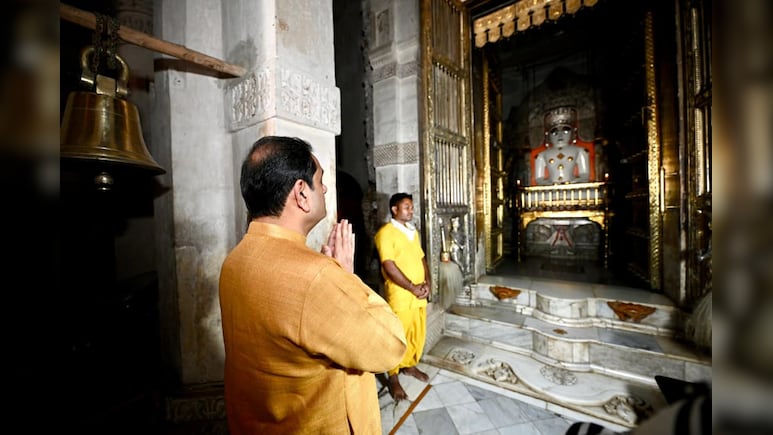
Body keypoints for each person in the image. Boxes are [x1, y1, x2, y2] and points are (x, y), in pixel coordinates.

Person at [219, 136, 407, 434]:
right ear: (301, 193)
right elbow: (391, 346)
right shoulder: (316, 276)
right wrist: (345, 277)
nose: (326, 188)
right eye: (320, 180)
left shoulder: (234, 261)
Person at [374, 193, 432, 401]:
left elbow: (422, 258)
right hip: (401, 295)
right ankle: (393, 377)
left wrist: (427, 283)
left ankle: (409, 366)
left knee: (416, 332)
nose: (411, 210)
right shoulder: (385, 233)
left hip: (419, 293)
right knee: (397, 336)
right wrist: (411, 287)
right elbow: (389, 265)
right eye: (406, 207)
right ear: (394, 209)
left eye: (412, 207)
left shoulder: (412, 232)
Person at [530, 106, 595, 185]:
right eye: (555, 132)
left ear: (573, 132)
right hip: (550, 189)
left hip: (574, 187)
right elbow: (539, 178)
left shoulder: (580, 151)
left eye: (565, 131)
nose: (560, 135)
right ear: (547, 135)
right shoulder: (541, 155)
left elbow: (584, 175)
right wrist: (549, 184)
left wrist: (575, 182)